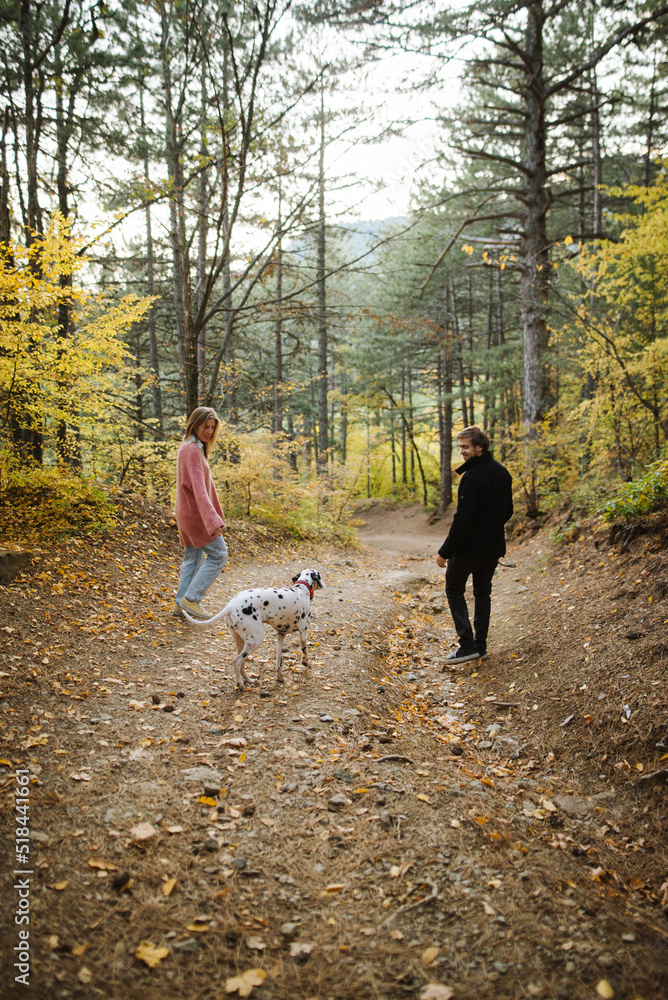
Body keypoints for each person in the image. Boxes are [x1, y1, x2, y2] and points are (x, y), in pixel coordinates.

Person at [436, 426, 513, 663]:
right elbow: (508, 511)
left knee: (453, 589)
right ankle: (481, 646)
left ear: (480, 447)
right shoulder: (502, 472)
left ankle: (468, 645)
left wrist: (445, 551)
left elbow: (462, 521)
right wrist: (490, 528)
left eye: (465, 447)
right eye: (460, 447)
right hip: (492, 548)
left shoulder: (471, 477)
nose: (462, 451)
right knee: (482, 594)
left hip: (469, 550)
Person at [174, 406, 228, 620]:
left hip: (187, 513)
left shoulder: (188, 447)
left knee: (193, 558)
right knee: (219, 554)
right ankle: (191, 599)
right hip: (196, 516)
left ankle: (180, 605)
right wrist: (212, 519)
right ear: (194, 424)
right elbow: (199, 488)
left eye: (212, 428)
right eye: (206, 426)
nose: (209, 431)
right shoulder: (193, 450)